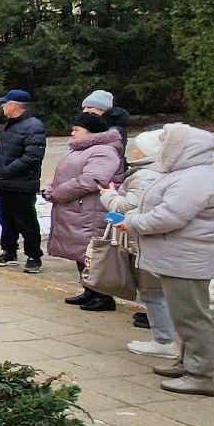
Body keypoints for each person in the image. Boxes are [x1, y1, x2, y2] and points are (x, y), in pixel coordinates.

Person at [109, 123, 214, 397]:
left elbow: (169, 216)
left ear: (181, 147)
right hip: (179, 257)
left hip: (187, 259)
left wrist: (133, 223)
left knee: (192, 318)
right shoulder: (183, 173)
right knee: (184, 315)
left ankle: (200, 375)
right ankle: (188, 364)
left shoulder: (194, 178)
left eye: (165, 141)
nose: (161, 146)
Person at [103, 131, 174, 357]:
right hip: (154, 240)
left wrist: (108, 196)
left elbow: (129, 207)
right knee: (158, 291)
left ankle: (164, 341)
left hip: (146, 240)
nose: (133, 150)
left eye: (139, 147)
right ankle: (164, 337)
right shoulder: (158, 172)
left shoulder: (145, 176)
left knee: (153, 291)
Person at [49, 111, 125, 311]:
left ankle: (102, 296)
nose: (72, 133)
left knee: (93, 254)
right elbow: (62, 174)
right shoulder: (78, 150)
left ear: (91, 131)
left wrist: (58, 193)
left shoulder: (104, 152)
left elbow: (91, 180)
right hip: (77, 210)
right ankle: (89, 290)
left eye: (77, 129)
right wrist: (50, 187)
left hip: (91, 211)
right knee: (81, 252)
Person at [0, 89, 47, 274]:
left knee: (26, 221)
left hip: (22, 184)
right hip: (5, 182)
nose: (2, 107)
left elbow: (33, 156)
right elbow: (3, 151)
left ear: (14, 105)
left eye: (5, 103)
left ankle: (34, 256)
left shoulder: (33, 126)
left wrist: (7, 170)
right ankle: (9, 252)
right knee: (6, 219)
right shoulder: (11, 124)